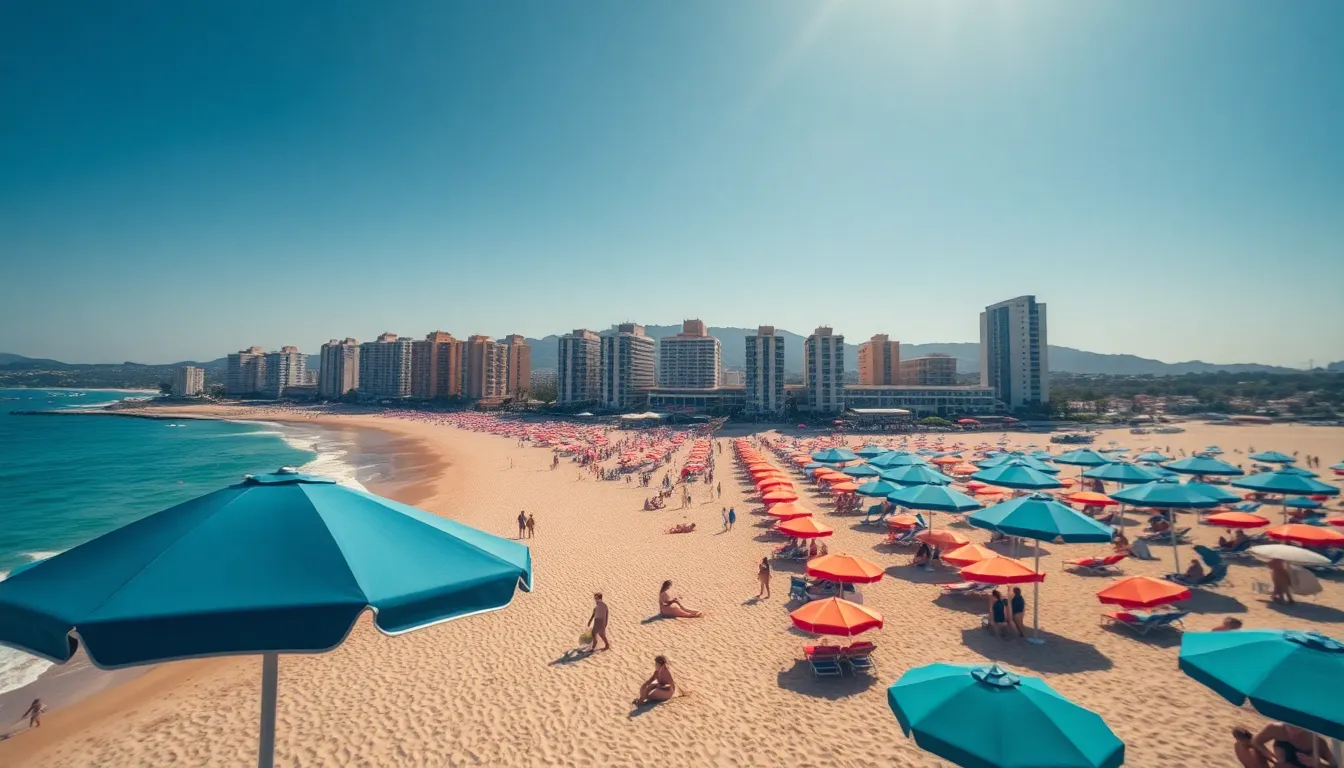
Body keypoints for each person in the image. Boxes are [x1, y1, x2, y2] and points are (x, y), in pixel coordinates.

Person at [1252, 722, 1336, 767]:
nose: (1292, 732)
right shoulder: (1275, 729)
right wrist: (1272, 758)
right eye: (1289, 725)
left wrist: (1318, 764)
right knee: (1242, 747)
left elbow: (1335, 765)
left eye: (1298, 728)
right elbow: (1255, 741)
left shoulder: (1316, 741)